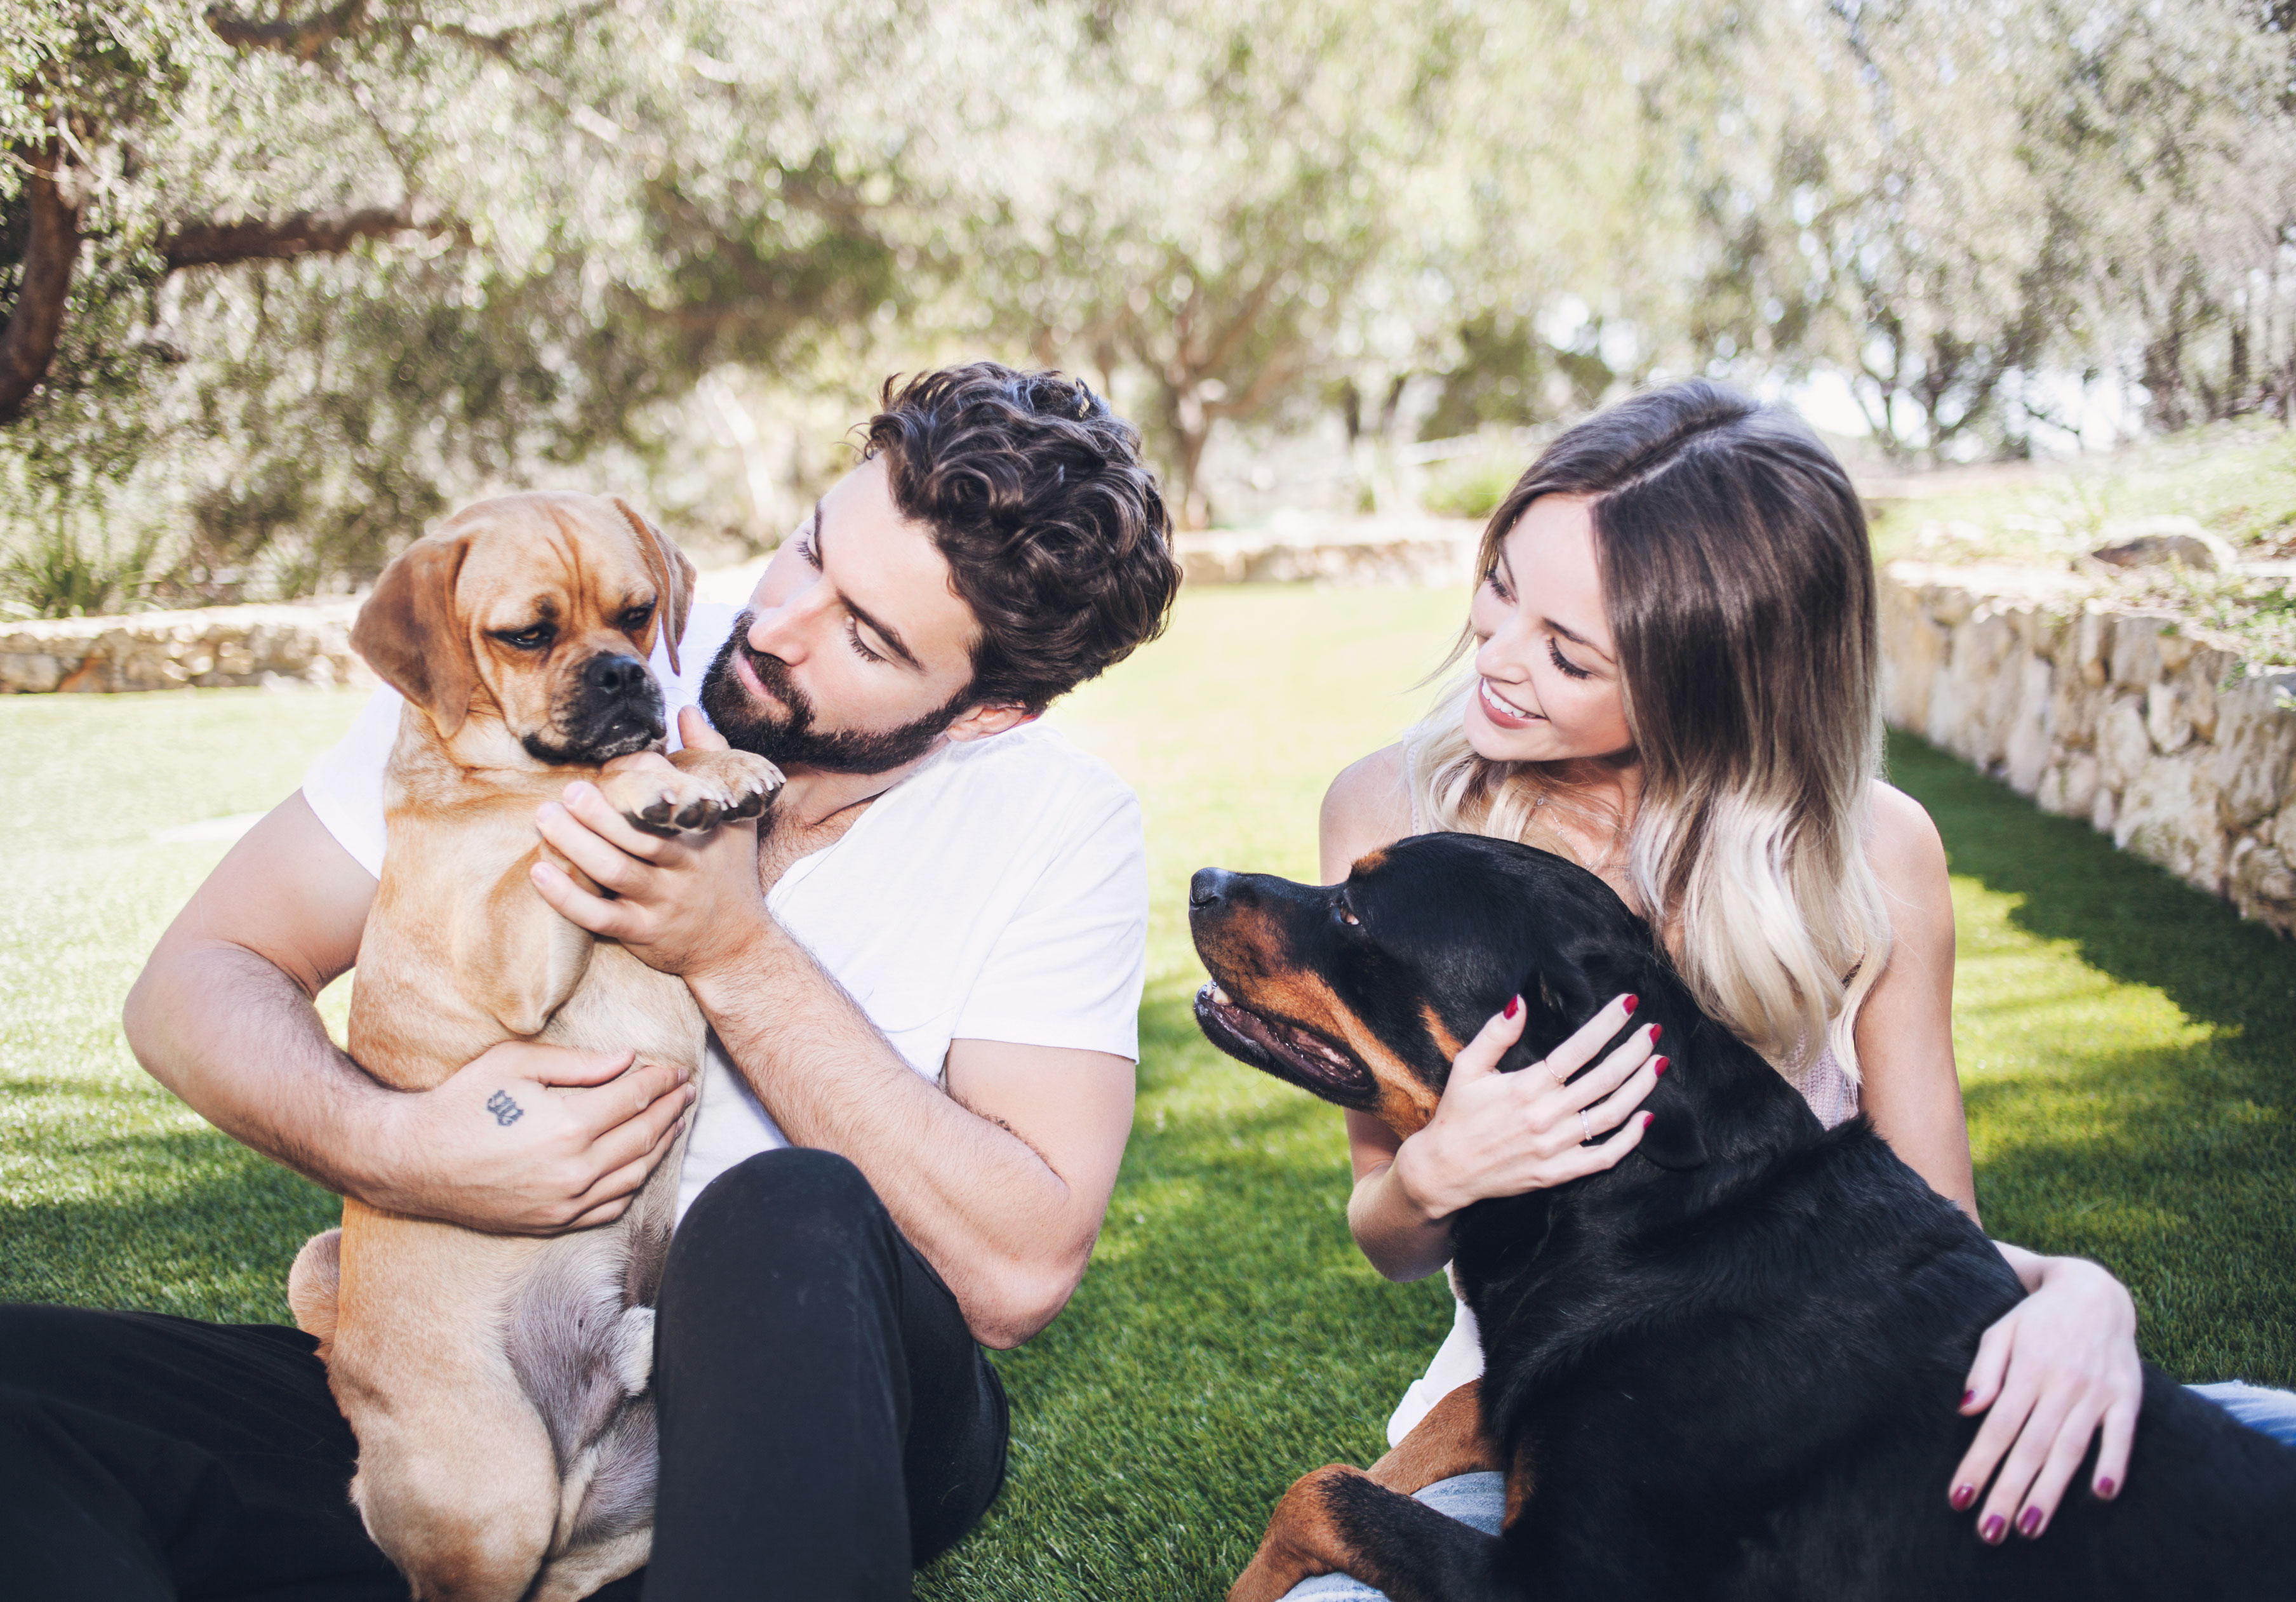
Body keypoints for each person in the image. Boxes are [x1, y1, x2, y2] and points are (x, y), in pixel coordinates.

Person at [0, 363, 1184, 1601]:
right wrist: (397, 1143)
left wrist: (732, 950)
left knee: (791, 1209)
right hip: (483, 1390)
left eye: (865, 635)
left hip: (802, 1402)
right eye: (808, 553)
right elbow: (193, 981)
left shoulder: (1057, 819)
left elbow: (1018, 1267)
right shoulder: (563, 638)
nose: (775, 625)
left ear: (988, 709)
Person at [1290, 380, 2296, 1598]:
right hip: (1549, 1404)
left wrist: (2083, 1292)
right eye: (1502, 581)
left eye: (1566, 652)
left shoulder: (1875, 855)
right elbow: (1383, 1230)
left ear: (1708, 675)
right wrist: (1437, 1173)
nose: (1495, 661)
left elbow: (1929, 1231)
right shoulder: (1396, 817)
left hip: (1836, 1402)